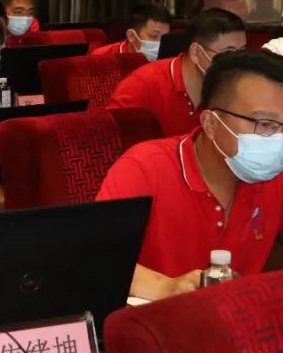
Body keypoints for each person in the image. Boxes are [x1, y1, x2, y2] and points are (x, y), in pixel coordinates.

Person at [97, 49, 283, 299]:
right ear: (210, 124)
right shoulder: (144, 168)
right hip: (154, 316)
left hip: (236, 318)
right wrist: (166, 287)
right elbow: (95, 257)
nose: (278, 139)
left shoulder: (275, 176)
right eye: (266, 125)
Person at [108, 8, 247, 136]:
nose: (237, 62)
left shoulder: (234, 87)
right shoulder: (142, 85)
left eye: (242, 52)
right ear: (196, 52)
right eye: (228, 53)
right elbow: (111, 137)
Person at [93, 3, 172, 60]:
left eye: (165, 38)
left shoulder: (171, 59)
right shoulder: (101, 57)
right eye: (154, 36)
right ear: (131, 36)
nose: (161, 43)